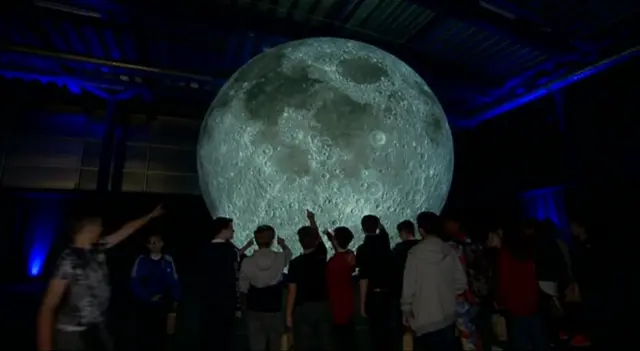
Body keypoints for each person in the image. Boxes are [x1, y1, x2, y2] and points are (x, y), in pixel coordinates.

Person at [36, 205, 164, 351]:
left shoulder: (99, 247)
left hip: (97, 329)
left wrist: (150, 215)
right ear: (89, 229)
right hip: (72, 333)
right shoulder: (69, 259)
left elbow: (126, 230)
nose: (101, 229)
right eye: (99, 226)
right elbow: (48, 306)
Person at [401, 211, 467, 351]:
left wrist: (406, 311)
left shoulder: (415, 254)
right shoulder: (449, 250)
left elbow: (408, 288)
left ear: (421, 230)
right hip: (448, 316)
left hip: (424, 320)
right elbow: (461, 282)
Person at [239, 225, 292, 351]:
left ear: (256, 241)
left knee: (256, 345)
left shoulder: (247, 262)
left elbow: (243, 288)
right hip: (275, 309)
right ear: (272, 240)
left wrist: (242, 308)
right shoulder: (280, 258)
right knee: (276, 345)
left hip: (254, 309)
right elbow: (289, 254)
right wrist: (283, 245)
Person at [286, 210, 332, 351]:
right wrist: (312, 219)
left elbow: (292, 292)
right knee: (325, 344)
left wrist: (288, 315)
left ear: (300, 242)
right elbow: (316, 235)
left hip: (302, 309)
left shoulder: (295, 263)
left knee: (304, 345)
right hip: (322, 306)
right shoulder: (321, 255)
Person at [498, 230, 549, 351]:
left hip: (515, 301)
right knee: (539, 338)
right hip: (532, 299)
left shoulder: (506, 254)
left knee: (520, 339)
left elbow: (504, 279)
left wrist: (502, 298)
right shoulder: (529, 251)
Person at [131, 234, 181, 351]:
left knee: (163, 337)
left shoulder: (168, 260)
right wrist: (146, 298)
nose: (154, 244)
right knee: (145, 336)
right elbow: (134, 282)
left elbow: (175, 281)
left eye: (157, 241)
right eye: (151, 242)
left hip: (163, 304)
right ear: (147, 245)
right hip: (145, 305)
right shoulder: (141, 260)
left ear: (162, 243)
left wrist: (176, 299)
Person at [200, 217, 242, 351]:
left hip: (207, 302)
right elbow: (234, 279)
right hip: (226, 302)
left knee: (210, 337)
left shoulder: (204, 250)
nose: (233, 231)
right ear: (222, 230)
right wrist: (237, 305)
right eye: (230, 228)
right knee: (225, 339)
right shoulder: (230, 252)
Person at [356, 214, 393, 351]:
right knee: (388, 331)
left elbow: (364, 278)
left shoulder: (362, 249)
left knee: (376, 333)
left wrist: (362, 304)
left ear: (362, 229)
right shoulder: (384, 242)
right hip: (389, 294)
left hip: (373, 296)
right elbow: (384, 232)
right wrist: (379, 223)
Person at [325, 227, 356, 351]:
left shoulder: (334, 262)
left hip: (336, 302)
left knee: (340, 339)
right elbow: (340, 251)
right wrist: (332, 239)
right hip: (347, 299)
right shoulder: (350, 256)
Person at [390, 220, 420, 351]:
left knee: (406, 330)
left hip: (403, 294)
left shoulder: (398, 249)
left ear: (403, 232)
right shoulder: (422, 246)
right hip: (423, 293)